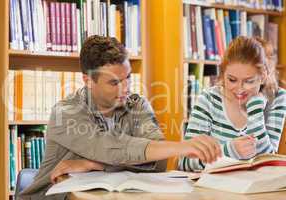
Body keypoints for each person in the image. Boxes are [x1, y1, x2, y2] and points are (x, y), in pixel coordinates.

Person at [19, 35, 221, 200]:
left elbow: (158, 161)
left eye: (128, 78)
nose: (126, 89)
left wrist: (95, 164)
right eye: (114, 83)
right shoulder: (65, 113)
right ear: (88, 81)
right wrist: (182, 146)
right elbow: (110, 148)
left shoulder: (137, 105)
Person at [178, 36, 286, 172]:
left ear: (263, 76)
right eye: (232, 80)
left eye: (249, 81)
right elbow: (185, 162)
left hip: (257, 190)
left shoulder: (277, 98)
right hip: (214, 190)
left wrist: (255, 112)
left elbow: (268, 161)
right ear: (223, 74)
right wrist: (228, 151)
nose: (240, 89)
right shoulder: (209, 99)